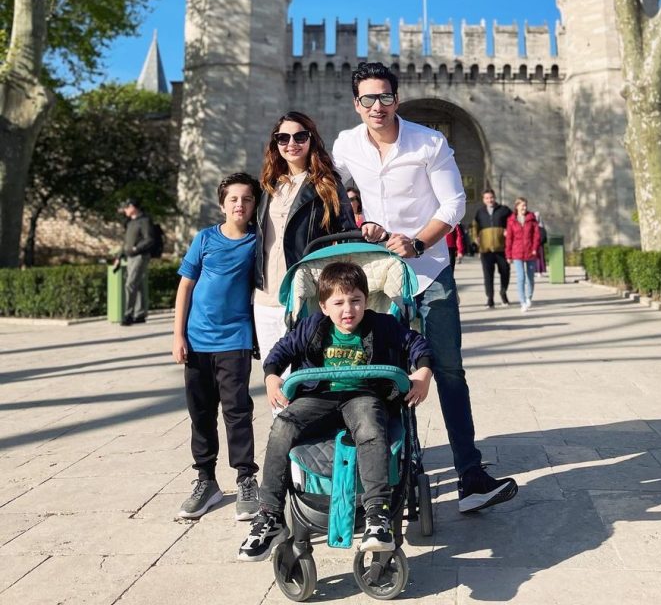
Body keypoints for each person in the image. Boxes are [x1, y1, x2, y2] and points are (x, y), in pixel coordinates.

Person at [332, 61, 518, 514]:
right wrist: (360, 223)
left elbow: (455, 202)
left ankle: (469, 475)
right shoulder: (346, 145)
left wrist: (418, 241)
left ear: (397, 98)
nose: (377, 107)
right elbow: (330, 189)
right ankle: (372, 474)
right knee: (372, 369)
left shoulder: (429, 142)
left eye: (385, 97)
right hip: (379, 275)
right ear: (357, 104)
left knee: (449, 370)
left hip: (430, 271)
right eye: (368, 99)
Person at [238, 261, 433, 561]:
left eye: (356, 300)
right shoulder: (312, 326)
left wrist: (423, 373)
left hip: (363, 394)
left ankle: (377, 515)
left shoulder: (381, 325)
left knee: (371, 428)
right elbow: (280, 351)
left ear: (366, 301)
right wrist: (272, 376)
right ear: (324, 306)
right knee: (283, 425)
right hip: (320, 395)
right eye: (339, 302)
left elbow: (415, 343)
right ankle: (270, 514)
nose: (348, 310)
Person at [173, 172, 262, 521]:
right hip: (197, 340)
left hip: (235, 339)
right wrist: (177, 335)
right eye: (234, 199)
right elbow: (185, 287)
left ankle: (245, 479)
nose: (240, 204)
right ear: (222, 204)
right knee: (200, 412)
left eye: (247, 199)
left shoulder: (258, 241)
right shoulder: (205, 238)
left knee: (237, 411)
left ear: (255, 205)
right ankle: (206, 480)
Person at [254, 111, 356, 370]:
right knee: (273, 374)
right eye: (283, 138)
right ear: (275, 144)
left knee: (303, 376)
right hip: (265, 297)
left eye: (300, 136)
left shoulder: (327, 183)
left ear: (312, 139)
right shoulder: (269, 185)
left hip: (305, 295)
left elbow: (347, 236)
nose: (292, 143)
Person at [471, 189, 513, 308]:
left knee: (505, 272)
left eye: (491, 197)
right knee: (488, 275)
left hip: (502, 248)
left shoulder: (504, 210)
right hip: (486, 249)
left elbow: (512, 223)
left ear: (495, 197)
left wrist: (508, 232)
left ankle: (503, 293)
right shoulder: (480, 212)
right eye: (487, 198)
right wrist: (475, 238)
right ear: (483, 200)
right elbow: (474, 227)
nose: (490, 200)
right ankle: (490, 298)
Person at [118, 198, 154, 326]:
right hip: (130, 257)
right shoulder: (130, 223)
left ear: (133, 207)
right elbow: (126, 242)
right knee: (137, 285)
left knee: (130, 284)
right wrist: (119, 256)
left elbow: (149, 239)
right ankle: (139, 314)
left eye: (127, 207)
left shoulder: (144, 221)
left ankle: (128, 315)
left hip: (140, 256)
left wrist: (136, 248)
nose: (125, 210)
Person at [505, 198, 540, 312]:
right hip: (517, 252)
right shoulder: (511, 220)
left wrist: (535, 248)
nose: (524, 208)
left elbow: (536, 235)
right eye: (522, 205)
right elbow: (509, 238)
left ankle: (529, 297)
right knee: (521, 277)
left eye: (525, 205)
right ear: (517, 206)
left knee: (530, 277)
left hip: (530, 252)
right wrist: (508, 254)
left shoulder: (532, 218)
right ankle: (522, 301)